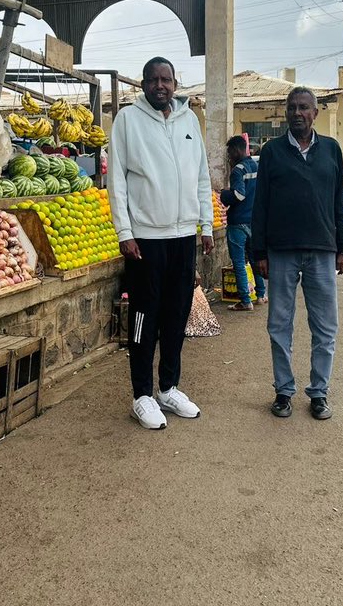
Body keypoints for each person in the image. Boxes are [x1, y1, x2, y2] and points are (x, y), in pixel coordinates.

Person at [108, 56, 213, 430]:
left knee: (175, 316)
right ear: (143, 84)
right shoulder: (127, 121)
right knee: (142, 319)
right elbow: (116, 180)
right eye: (153, 80)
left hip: (184, 237)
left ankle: (168, 388)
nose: (160, 86)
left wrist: (207, 225)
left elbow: (202, 176)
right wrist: (125, 231)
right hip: (146, 241)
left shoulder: (189, 121)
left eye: (166, 80)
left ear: (175, 83)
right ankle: (142, 395)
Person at [252, 86, 343, 421]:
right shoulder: (273, 152)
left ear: (315, 113)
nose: (297, 113)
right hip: (281, 251)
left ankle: (319, 393)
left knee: (325, 327)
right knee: (279, 324)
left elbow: (340, 200)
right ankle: (283, 391)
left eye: (304, 107)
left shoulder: (332, 150)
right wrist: (259, 252)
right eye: (292, 107)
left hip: (323, 251)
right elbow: (260, 204)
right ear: (286, 113)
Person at [220, 135, 266, 311]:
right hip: (253, 221)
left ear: (237, 150)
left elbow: (239, 194)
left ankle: (245, 300)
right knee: (255, 260)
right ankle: (261, 295)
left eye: (230, 152)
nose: (229, 156)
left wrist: (224, 195)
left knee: (239, 262)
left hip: (238, 221)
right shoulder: (256, 166)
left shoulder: (238, 170)